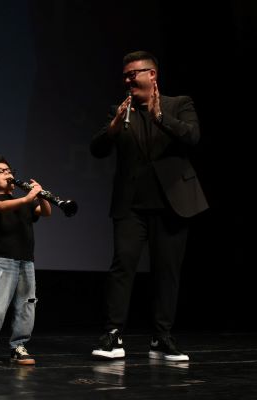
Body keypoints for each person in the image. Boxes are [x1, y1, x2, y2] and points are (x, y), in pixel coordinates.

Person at [90, 51, 208, 361]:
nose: (127, 80)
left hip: (172, 203)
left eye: (133, 74)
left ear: (152, 74)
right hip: (130, 205)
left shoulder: (178, 104)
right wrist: (114, 126)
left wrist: (160, 117)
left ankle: (161, 337)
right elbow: (97, 148)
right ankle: (113, 334)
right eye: (125, 75)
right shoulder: (121, 111)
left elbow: (192, 137)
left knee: (167, 272)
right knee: (122, 266)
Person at [0, 156, 51, 367]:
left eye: (9, 170)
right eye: (0, 171)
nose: (7, 173)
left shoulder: (26, 202)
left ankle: (19, 346)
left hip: (27, 262)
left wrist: (41, 196)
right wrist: (28, 198)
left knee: (26, 306)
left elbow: (46, 212)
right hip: (4, 261)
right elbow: (2, 207)